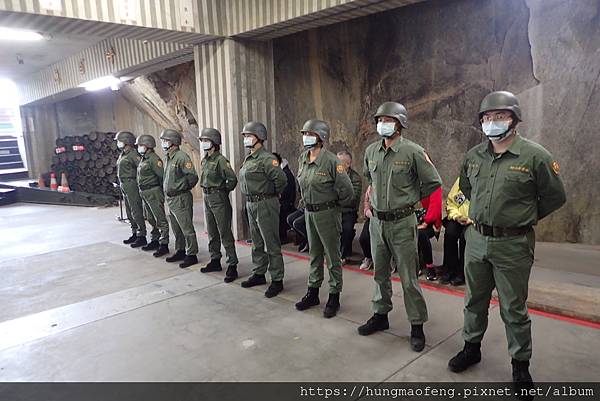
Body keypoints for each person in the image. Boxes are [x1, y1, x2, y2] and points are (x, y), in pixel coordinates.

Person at [448, 91, 566, 396]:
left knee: (513, 307)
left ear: (514, 119)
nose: (491, 123)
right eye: (486, 118)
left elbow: (555, 196)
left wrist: (523, 216)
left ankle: (520, 364)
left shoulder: (535, 156)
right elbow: (468, 187)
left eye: (498, 117)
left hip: (513, 244)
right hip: (476, 239)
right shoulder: (474, 156)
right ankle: (471, 348)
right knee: (474, 299)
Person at [359, 101, 442, 353]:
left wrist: (410, 200)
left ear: (400, 123)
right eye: (379, 120)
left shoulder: (414, 152)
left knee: (408, 276)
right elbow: (370, 179)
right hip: (377, 223)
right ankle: (380, 314)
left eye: (388, 120)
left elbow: (433, 182)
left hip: (402, 223)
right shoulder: (371, 151)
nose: (382, 124)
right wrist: (372, 203)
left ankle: (416, 325)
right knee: (380, 272)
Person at [294, 119, 354, 318]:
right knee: (314, 254)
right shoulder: (303, 158)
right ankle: (312, 292)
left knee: (332, 256)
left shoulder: (331, 161)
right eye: (305, 134)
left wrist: (335, 206)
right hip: (309, 213)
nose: (306, 137)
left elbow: (347, 190)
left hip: (327, 213)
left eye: (310, 134)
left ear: (321, 137)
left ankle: (334, 295)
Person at [238, 121, 288, 298]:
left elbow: (281, 181)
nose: (246, 139)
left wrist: (271, 194)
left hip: (265, 203)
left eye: (249, 136)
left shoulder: (267, 159)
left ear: (259, 137)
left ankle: (277, 279)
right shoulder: (250, 158)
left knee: (271, 242)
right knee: (257, 241)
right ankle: (259, 273)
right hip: (251, 203)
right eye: (244, 136)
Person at [198, 128, 239, 283]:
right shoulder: (205, 160)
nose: (203, 143)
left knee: (224, 232)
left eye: (206, 140)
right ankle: (215, 259)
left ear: (214, 142)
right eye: (202, 141)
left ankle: (232, 264)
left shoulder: (221, 160)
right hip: (207, 197)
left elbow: (232, 179)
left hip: (218, 197)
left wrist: (222, 191)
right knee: (212, 231)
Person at [160, 129, 200, 269]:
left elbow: (192, 177)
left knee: (186, 227)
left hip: (180, 197)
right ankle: (180, 250)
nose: (163, 143)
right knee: (176, 228)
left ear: (173, 142)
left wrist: (180, 187)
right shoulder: (168, 157)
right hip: (171, 199)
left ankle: (192, 254)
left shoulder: (182, 157)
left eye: (165, 140)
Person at [135, 134, 169, 257]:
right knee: (150, 218)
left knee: (160, 219)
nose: (138, 147)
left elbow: (162, 177)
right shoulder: (144, 158)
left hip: (153, 191)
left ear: (148, 146)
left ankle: (164, 244)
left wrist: (157, 190)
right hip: (145, 192)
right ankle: (155, 240)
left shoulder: (154, 159)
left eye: (141, 145)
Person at [115, 131, 147, 248]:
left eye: (119, 141)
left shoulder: (134, 154)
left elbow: (141, 169)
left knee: (135, 210)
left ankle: (141, 235)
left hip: (131, 183)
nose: (118, 143)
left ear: (126, 141)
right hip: (124, 184)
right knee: (129, 211)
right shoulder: (123, 153)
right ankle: (134, 232)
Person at [439, 177, 470, 286]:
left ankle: (462, 273)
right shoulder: (462, 180)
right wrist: (456, 216)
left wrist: (470, 219)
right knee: (450, 234)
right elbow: (451, 202)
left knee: (464, 239)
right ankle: (449, 269)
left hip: (473, 221)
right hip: (458, 217)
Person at [337, 150, 363, 263]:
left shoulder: (355, 178)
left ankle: (342, 255)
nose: (337, 164)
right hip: (335, 210)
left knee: (346, 229)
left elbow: (352, 199)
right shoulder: (334, 175)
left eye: (340, 162)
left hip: (348, 211)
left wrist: (336, 198)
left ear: (348, 164)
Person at [417, 186, 442, 280]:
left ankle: (430, 266)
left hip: (429, 222)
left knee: (421, 234)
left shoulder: (433, 183)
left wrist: (425, 223)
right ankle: (415, 264)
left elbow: (435, 205)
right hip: (413, 219)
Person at [273, 152, 297, 244]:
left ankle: (281, 237)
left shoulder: (285, 174)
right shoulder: (279, 171)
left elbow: (285, 193)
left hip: (287, 204)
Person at [358, 186, 373, 270]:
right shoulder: (371, 186)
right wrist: (367, 210)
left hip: (388, 217)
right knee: (364, 238)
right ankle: (368, 257)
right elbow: (366, 200)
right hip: (372, 216)